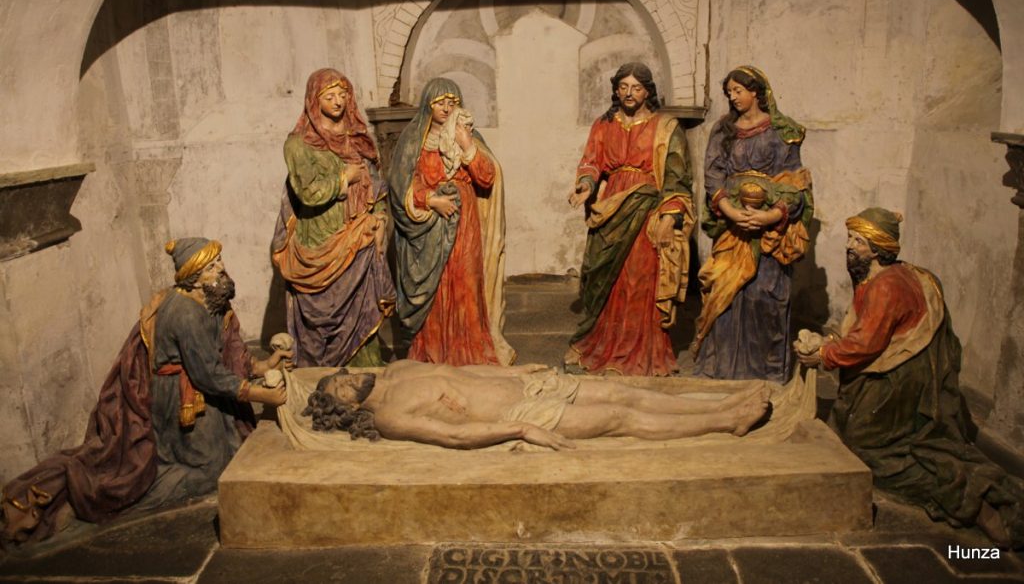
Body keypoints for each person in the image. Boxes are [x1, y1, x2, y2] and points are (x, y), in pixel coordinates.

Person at [1, 238, 289, 545]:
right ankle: (92, 502)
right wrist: (261, 395)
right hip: (178, 399)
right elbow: (208, 375)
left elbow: (228, 350)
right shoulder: (185, 314)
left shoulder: (214, 299)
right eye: (211, 266)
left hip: (202, 389)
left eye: (218, 262)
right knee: (208, 470)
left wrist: (263, 365)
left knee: (233, 450)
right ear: (193, 278)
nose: (221, 269)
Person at [795, 209, 1024, 548]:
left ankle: (972, 499)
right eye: (851, 238)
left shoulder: (886, 287)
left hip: (897, 384)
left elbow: (866, 344)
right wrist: (832, 343)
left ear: (878, 248)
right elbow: (866, 332)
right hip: (904, 373)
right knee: (848, 430)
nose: (850, 246)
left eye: (859, 241)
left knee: (871, 453)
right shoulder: (896, 274)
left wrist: (823, 355)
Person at [303, 360, 771, 450]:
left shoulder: (400, 368)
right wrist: (521, 431)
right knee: (617, 417)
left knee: (620, 391)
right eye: (340, 391)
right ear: (346, 408)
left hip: (525, 390)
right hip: (521, 415)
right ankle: (727, 421)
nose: (348, 381)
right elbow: (453, 434)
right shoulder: (388, 417)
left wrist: (513, 372)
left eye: (341, 376)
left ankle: (726, 399)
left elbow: (460, 373)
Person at [566, 61, 694, 376]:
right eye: (623, 87)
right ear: (616, 90)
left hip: (647, 209)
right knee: (606, 279)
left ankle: (643, 351)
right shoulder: (604, 124)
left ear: (647, 90)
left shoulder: (666, 127)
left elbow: (678, 178)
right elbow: (591, 162)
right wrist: (585, 185)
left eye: (636, 87)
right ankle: (600, 344)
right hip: (610, 209)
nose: (629, 93)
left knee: (639, 280)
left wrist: (670, 215)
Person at [693, 65, 812, 383]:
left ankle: (765, 376)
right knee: (725, 295)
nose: (733, 98)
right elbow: (712, 175)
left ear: (756, 92)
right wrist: (731, 210)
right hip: (732, 229)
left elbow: (796, 184)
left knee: (763, 299)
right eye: (729, 92)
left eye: (738, 91)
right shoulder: (723, 129)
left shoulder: (782, 131)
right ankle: (722, 371)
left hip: (770, 232)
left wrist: (771, 215)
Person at [272, 69, 396, 368]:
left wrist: (379, 219)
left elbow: (377, 185)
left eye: (343, 95)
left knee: (361, 306)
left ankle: (365, 370)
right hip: (320, 239)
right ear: (315, 101)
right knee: (325, 311)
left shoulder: (356, 139)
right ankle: (320, 375)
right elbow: (308, 192)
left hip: (359, 236)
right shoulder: (298, 144)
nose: (338, 101)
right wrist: (345, 178)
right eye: (329, 96)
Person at [388, 78, 515, 366]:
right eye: (440, 102)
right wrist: (431, 200)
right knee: (437, 288)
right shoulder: (413, 140)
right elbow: (401, 184)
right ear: (428, 105)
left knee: (467, 282)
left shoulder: (467, 133)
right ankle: (434, 353)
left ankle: (468, 353)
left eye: (452, 102)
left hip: (465, 221)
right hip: (429, 227)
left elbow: (487, 176)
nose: (446, 108)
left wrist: (467, 145)